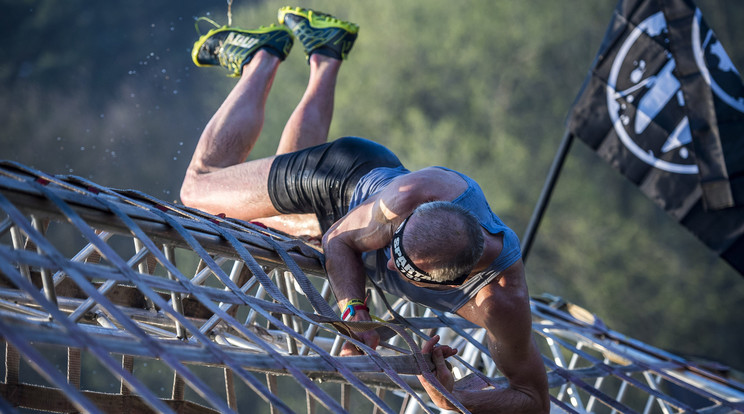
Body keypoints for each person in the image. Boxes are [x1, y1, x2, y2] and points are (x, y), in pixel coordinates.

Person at [181, 6, 550, 413]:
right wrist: (357, 314)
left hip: (357, 207)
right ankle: (260, 58)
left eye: (400, 265)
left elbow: (534, 401)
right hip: (340, 176)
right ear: (425, 211)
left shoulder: (502, 302)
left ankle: (326, 53)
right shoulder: (417, 192)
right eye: (394, 245)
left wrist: (451, 397)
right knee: (200, 188)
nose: (388, 264)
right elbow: (340, 239)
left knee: (284, 179)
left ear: (447, 282)